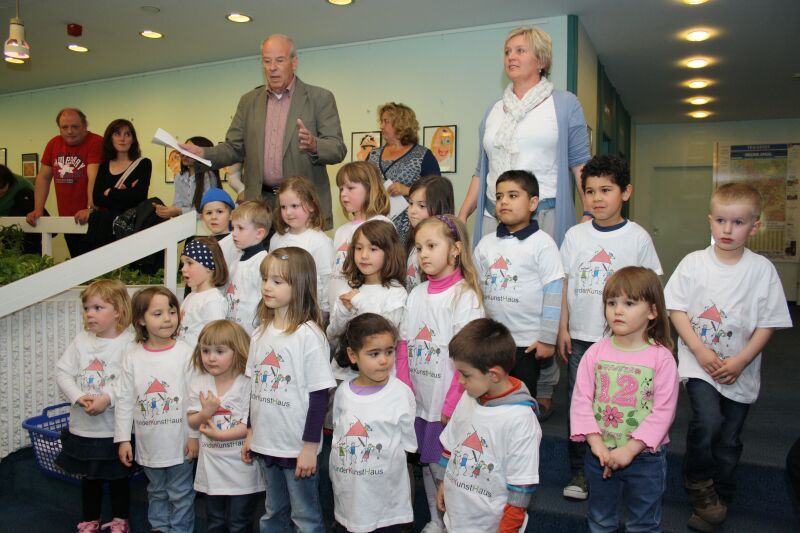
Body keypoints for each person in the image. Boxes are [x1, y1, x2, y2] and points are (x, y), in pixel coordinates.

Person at [664, 183, 792, 531]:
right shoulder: (694, 263)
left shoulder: (761, 270)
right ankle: (699, 482)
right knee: (707, 422)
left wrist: (741, 361)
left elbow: (768, 323)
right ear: (710, 220)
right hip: (699, 364)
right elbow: (676, 309)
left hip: (739, 369)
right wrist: (698, 349)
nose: (727, 229)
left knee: (729, 437)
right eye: (721, 220)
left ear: (755, 226)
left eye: (738, 222)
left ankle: (722, 489)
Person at [558, 154, 662, 501]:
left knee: (620, 404)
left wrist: (651, 336)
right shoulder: (575, 236)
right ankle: (581, 470)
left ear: (626, 192)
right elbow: (565, 284)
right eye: (590, 191)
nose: (597, 198)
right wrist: (562, 327)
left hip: (625, 344)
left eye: (606, 190)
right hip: (582, 339)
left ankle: (628, 462)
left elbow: (651, 290)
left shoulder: (638, 238)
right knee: (581, 403)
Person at [183, 34, 346, 229]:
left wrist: (314, 145)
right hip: (260, 204)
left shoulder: (320, 98)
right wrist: (202, 153)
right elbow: (233, 148)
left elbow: (337, 148)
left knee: (298, 251)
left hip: (301, 205)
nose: (272, 67)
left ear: (294, 62)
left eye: (279, 60)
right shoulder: (248, 101)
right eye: (267, 61)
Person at [457, 27, 591, 247]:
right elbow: (482, 171)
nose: (511, 56)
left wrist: (589, 213)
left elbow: (581, 166)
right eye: (507, 51)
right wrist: (463, 215)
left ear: (541, 61)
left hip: (544, 219)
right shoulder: (493, 110)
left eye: (520, 50)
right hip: (493, 218)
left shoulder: (565, 105)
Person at [570, 266, 678, 532]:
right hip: (600, 452)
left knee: (643, 523)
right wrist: (596, 444)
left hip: (645, 458)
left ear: (652, 311)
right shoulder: (595, 353)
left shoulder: (661, 358)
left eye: (629, 303)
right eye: (611, 303)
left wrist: (630, 449)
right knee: (600, 519)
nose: (617, 310)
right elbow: (581, 401)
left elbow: (663, 412)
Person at [396, 215, 484, 533]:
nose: (423, 254)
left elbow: (468, 357)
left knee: (443, 467)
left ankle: (452, 523)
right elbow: (404, 345)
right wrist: (404, 389)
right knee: (428, 463)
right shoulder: (417, 293)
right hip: (420, 401)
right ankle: (436, 520)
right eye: (419, 248)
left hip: (447, 404)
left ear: (455, 249)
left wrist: (451, 403)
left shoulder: (465, 297)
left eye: (432, 246)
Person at [241, 247, 336, 532]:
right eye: (265, 279)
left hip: (296, 446)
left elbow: (319, 396)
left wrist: (309, 447)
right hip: (266, 441)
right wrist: (250, 431)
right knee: (273, 512)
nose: (267, 287)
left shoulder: (309, 335)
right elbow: (254, 389)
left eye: (277, 281)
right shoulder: (259, 333)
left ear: (300, 285)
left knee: (305, 517)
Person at [435, 318, 540, 532]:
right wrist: (443, 481)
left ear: (493, 374)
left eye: (465, 375)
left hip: (489, 526)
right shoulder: (468, 396)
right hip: (455, 520)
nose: (460, 381)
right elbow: (451, 445)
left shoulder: (520, 420)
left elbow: (520, 489)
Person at [473, 170, 564, 404]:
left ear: (533, 203)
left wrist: (547, 338)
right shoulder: (486, 244)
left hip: (527, 342)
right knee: (490, 396)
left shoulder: (543, 244)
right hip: (493, 340)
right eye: (499, 196)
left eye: (513, 196)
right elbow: (476, 290)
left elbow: (554, 292)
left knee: (521, 400)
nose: (504, 201)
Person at [114, 287, 199, 533]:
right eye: (158, 313)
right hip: (149, 444)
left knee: (181, 493)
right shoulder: (132, 356)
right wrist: (123, 439)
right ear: (141, 319)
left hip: (180, 443)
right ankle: (159, 527)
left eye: (171, 312)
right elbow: (124, 400)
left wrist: (194, 436)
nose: (167, 319)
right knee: (157, 491)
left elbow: (195, 398)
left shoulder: (186, 353)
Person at [54, 280, 136, 533]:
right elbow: (62, 372)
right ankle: (90, 519)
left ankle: (120, 519)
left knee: (119, 478)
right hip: (84, 429)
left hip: (114, 430)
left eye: (98, 308)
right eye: (87, 308)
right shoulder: (81, 340)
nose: (90, 314)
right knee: (90, 478)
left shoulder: (129, 342)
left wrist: (107, 397)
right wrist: (78, 396)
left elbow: (129, 379)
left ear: (118, 311)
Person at [330, 313, 417, 532]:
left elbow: (408, 445)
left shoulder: (401, 393)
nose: (384, 360)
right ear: (353, 355)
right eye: (374, 353)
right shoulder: (343, 393)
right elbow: (339, 432)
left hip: (386, 507)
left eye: (389, 351)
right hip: (349, 498)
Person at [187, 320, 264, 533]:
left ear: (237, 351)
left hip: (242, 468)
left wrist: (220, 435)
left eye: (219, 351)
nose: (211, 357)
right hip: (211, 469)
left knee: (240, 522)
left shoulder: (247, 383)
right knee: (215, 521)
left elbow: (249, 424)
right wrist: (205, 412)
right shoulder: (199, 382)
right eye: (205, 351)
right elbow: (192, 420)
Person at [327, 220, 407, 376]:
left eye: (373, 249)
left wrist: (359, 301)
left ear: (389, 252)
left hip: (377, 377)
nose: (363, 255)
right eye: (358, 248)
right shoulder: (350, 288)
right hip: (342, 374)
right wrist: (343, 311)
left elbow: (384, 333)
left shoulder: (395, 292)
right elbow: (332, 335)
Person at [26, 108, 104, 258]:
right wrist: (38, 209)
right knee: (77, 262)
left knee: (98, 263)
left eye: (75, 126)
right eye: (64, 127)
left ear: (85, 125)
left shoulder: (96, 142)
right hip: (68, 218)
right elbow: (43, 177)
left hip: (94, 219)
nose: (69, 131)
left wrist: (90, 208)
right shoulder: (53, 144)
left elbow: (93, 176)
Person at [366, 102, 440, 241]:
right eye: (381, 121)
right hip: (376, 230)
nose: (381, 126)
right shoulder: (373, 155)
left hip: (411, 230)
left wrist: (407, 190)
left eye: (386, 121)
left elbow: (437, 192)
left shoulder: (422, 155)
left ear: (401, 123)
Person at [330, 161, 393, 309]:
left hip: (364, 309)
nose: (343, 193)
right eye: (341, 189)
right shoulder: (341, 231)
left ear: (370, 189)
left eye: (350, 188)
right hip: (339, 312)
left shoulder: (380, 224)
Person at [269, 176, 334, 318]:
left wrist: (323, 315)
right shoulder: (276, 239)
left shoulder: (320, 242)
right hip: (279, 312)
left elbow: (326, 280)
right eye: (283, 207)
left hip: (308, 314)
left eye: (294, 206)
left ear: (311, 205)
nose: (288, 212)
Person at [86, 119, 152, 251]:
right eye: (117, 134)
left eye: (127, 134)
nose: (122, 139)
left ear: (133, 139)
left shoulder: (143, 164)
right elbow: (97, 198)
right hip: (104, 229)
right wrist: (126, 193)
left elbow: (140, 197)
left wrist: (111, 192)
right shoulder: (104, 166)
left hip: (130, 228)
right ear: (110, 138)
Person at [226, 201, 271, 334]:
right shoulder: (236, 261)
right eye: (233, 228)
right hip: (232, 331)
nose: (234, 233)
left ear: (259, 233)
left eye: (240, 228)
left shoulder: (263, 263)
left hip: (251, 333)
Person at [405, 176, 455, 291]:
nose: (412, 211)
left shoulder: (444, 249)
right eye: (411, 203)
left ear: (440, 207)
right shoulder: (412, 240)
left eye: (421, 206)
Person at [177, 238, 229, 348]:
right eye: (183, 263)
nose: (183, 269)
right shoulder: (191, 296)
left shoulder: (213, 300)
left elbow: (216, 339)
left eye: (189, 263)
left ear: (208, 266)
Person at [156, 136, 220, 219]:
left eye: (190, 151)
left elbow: (207, 211)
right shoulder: (179, 177)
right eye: (184, 150)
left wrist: (179, 211)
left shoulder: (208, 177)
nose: (184, 154)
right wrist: (166, 210)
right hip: (184, 223)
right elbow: (177, 204)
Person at [0, 164, 41, 254]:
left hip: (20, 230)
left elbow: (36, 199)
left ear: (9, 182)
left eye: (2, 189)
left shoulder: (21, 183)